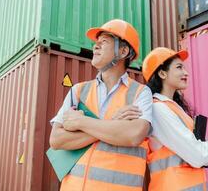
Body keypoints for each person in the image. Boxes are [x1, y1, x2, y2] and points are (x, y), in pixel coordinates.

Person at [49, 19, 152, 191]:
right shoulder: (78, 90)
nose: (95, 47)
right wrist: (113, 123)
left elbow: (134, 135)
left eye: (103, 42)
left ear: (123, 51)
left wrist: (81, 123)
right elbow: (56, 140)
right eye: (95, 43)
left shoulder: (141, 93)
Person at [142, 47, 208, 191]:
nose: (185, 73)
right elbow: (199, 156)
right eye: (179, 67)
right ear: (162, 73)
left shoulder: (173, 108)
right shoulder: (158, 109)